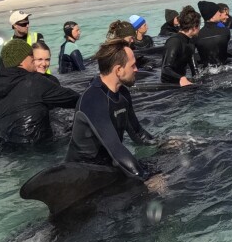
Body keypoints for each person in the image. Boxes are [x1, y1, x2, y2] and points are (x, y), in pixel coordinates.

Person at [65, 40, 165, 192]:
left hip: (108, 166)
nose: (136, 69)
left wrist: (163, 143)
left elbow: (138, 133)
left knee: (170, 163)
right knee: (156, 185)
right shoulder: (93, 100)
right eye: (133, 65)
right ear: (118, 70)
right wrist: (146, 177)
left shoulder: (122, 93)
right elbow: (116, 149)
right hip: (83, 178)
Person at [0, 39, 81, 145]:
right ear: (21, 60)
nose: (33, 58)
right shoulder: (35, 81)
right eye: (31, 56)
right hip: (39, 147)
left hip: (9, 149)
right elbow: (75, 99)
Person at [161, 7, 200, 86]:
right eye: (199, 25)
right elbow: (165, 69)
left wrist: (199, 80)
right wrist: (181, 78)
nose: (200, 28)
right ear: (194, 27)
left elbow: (194, 70)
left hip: (182, 81)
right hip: (169, 84)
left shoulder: (191, 42)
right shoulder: (174, 41)